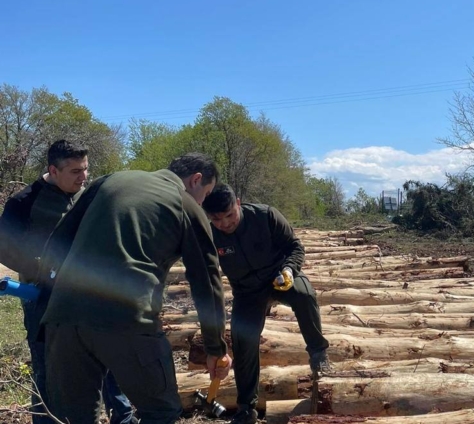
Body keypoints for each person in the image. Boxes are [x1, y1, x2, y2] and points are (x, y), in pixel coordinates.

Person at [38, 153, 233, 424]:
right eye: (206, 193)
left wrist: (48, 297)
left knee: (72, 417)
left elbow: (59, 238)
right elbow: (207, 283)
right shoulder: (185, 204)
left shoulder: (111, 180)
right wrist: (216, 348)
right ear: (196, 179)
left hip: (64, 317)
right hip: (127, 318)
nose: (203, 202)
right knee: (161, 412)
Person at [0, 140, 135, 424]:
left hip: (89, 295)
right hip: (43, 299)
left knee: (106, 358)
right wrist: (43, 268)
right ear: (53, 170)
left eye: (85, 169)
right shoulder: (24, 202)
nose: (83, 177)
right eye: (75, 171)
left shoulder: (87, 195)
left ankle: (123, 418)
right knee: (46, 368)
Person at [202, 183, 331, 424]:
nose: (225, 223)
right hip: (247, 291)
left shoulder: (265, 216)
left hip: (279, 277)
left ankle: (318, 353)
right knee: (243, 339)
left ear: (238, 203)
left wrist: (289, 270)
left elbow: (295, 247)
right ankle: (246, 408)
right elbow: (207, 279)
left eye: (229, 215)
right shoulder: (209, 235)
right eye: (216, 219)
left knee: (304, 295)